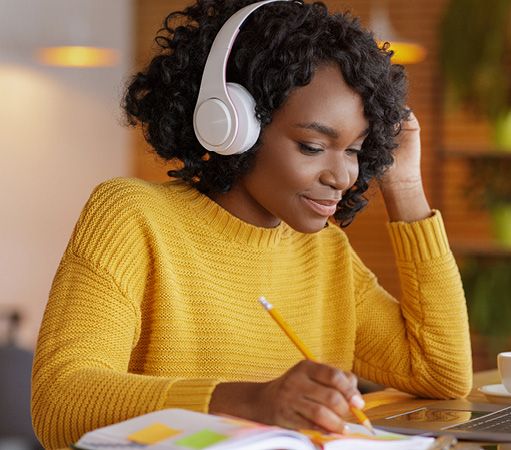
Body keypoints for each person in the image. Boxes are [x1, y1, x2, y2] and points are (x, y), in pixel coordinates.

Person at [30, 0, 472, 448]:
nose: (342, 176)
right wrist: (249, 402)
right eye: (313, 146)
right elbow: (60, 402)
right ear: (232, 125)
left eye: (356, 150)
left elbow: (441, 372)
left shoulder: (325, 251)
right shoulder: (132, 217)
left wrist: (406, 185)